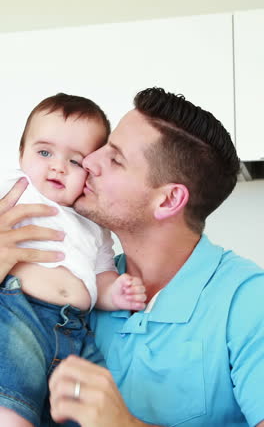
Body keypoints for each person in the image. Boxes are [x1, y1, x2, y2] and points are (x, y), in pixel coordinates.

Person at [0, 87, 264, 427]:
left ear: (168, 201)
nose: (89, 161)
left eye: (114, 158)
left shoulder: (248, 301)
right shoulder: (84, 283)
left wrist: (126, 425)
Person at [0, 93, 146, 427]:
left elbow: (102, 274)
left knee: (91, 405)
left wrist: (116, 294)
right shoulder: (16, 189)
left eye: (75, 161)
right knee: (11, 392)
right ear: (21, 154)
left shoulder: (93, 223)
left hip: (75, 331)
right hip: (19, 312)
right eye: (44, 152)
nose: (57, 166)